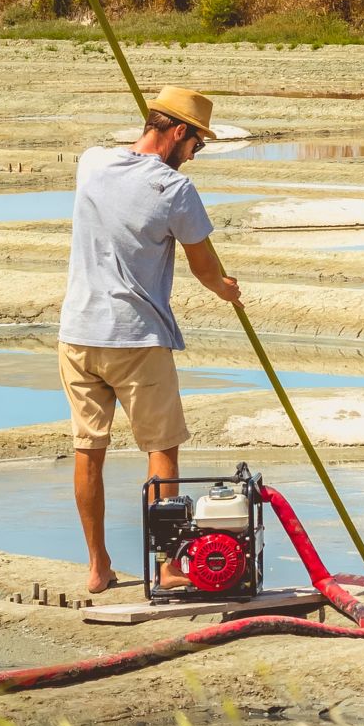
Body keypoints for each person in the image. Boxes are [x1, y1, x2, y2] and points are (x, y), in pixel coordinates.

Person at [58, 85, 240, 593]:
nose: (194, 155)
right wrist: (226, 289)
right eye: (196, 145)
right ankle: (168, 565)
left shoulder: (92, 163)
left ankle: (98, 567)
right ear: (179, 133)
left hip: (77, 334)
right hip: (136, 337)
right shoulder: (174, 191)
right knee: (162, 449)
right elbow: (205, 268)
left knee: (88, 449)